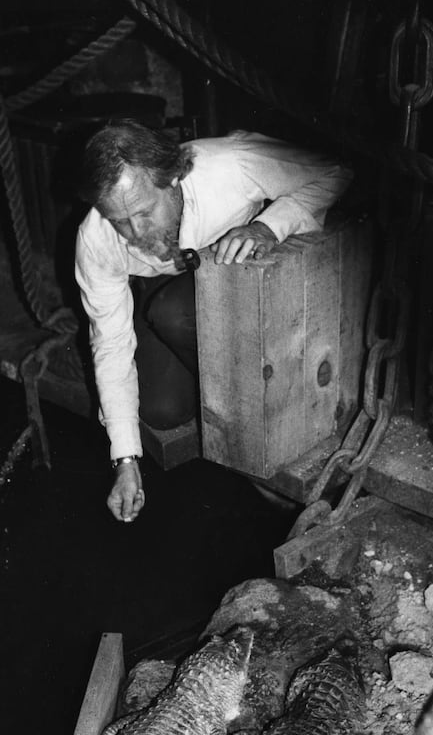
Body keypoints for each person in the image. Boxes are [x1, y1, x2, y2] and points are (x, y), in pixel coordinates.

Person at [75, 121, 352, 523]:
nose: (134, 232)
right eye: (120, 220)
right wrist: (125, 461)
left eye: (143, 212)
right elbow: (111, 343)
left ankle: (253, 425)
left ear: (174, 179)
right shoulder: (95, 239)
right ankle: (222, 390)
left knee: (174, 314)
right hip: (173, 284)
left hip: (245, 276)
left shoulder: (231, 165)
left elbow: (338, 170)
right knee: (162, 409)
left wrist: (269, 225)